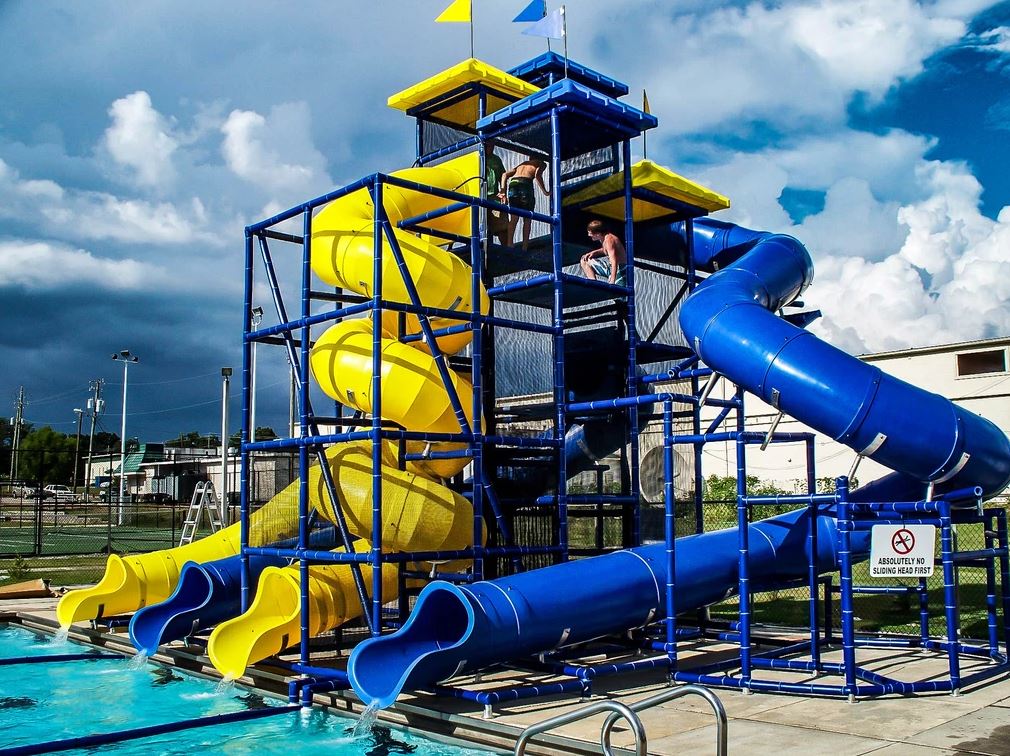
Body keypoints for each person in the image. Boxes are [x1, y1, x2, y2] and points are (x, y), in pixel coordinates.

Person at [500, 157, 550, 250]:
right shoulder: (540, 162)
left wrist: (503, 190)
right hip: (525, 184)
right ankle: (524, 247)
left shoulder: (522, 164)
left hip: (513, 184)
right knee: (527, 218)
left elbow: (504, 174)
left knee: (514, 218)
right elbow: (538, 175)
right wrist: (545, 191)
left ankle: (509, 243)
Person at [580, 219, 627, 286]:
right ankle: (593, 284)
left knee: (618, 294)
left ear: (598, 234)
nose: (588, 235)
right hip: (610, 268)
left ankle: (614, 282)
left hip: (620, 269)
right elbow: (605, 249)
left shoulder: (609, 240)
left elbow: (614, 261)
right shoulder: (603, 238)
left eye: (590, 233)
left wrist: (612, 281)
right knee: (584, 260)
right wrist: (594, 253)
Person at [484, 142, 509, 246]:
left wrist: (503, 192)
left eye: (492, 145)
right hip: (480, 196)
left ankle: (506, 250)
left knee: (502, 226)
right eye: (489, 145)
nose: (491, 148)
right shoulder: (477, 157)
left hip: (494, 196)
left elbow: (503, 175)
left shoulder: (496, 159)